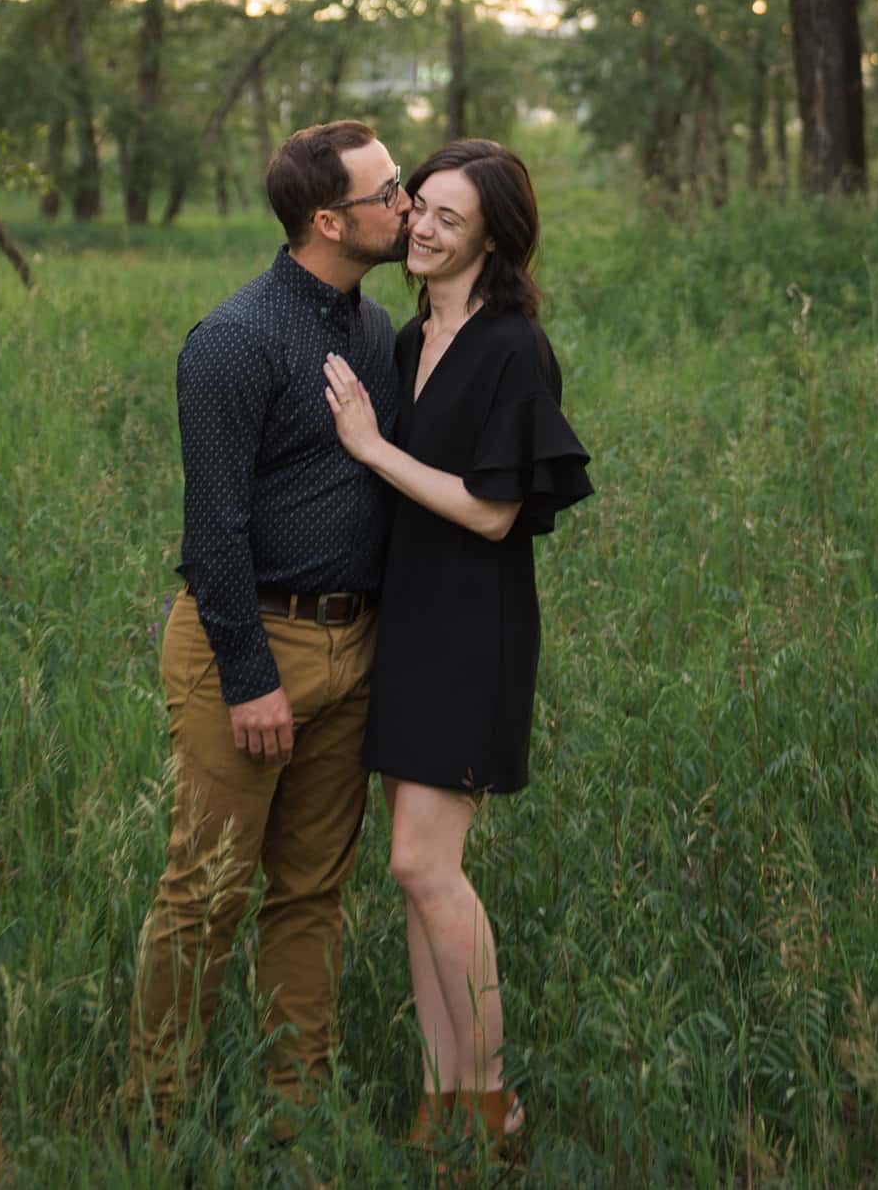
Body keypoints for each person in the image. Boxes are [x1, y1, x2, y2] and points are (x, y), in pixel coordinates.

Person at [130, 118, 408, 1138]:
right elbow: (214, 532)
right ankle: (158, 1121)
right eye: (389, 193)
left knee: (311, 894)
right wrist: (250, 678)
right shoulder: (235, 341)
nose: (406, 203)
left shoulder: (373, 330)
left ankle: (299, 1117)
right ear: (329, 220)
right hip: (246, 644)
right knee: (205, 896)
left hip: (353, 646)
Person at [322, 138, 592, 1163]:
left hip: (472, 627)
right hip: (406, 619)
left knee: (424, 866)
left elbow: (491, 516)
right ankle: (447, 1100)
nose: (423, 228)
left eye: (450, 218)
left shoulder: (511, 347)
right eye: (418, 207)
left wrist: (372, 448)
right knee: (415, 876)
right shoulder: (405, 339)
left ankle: (491, 1105)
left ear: (494, 237)